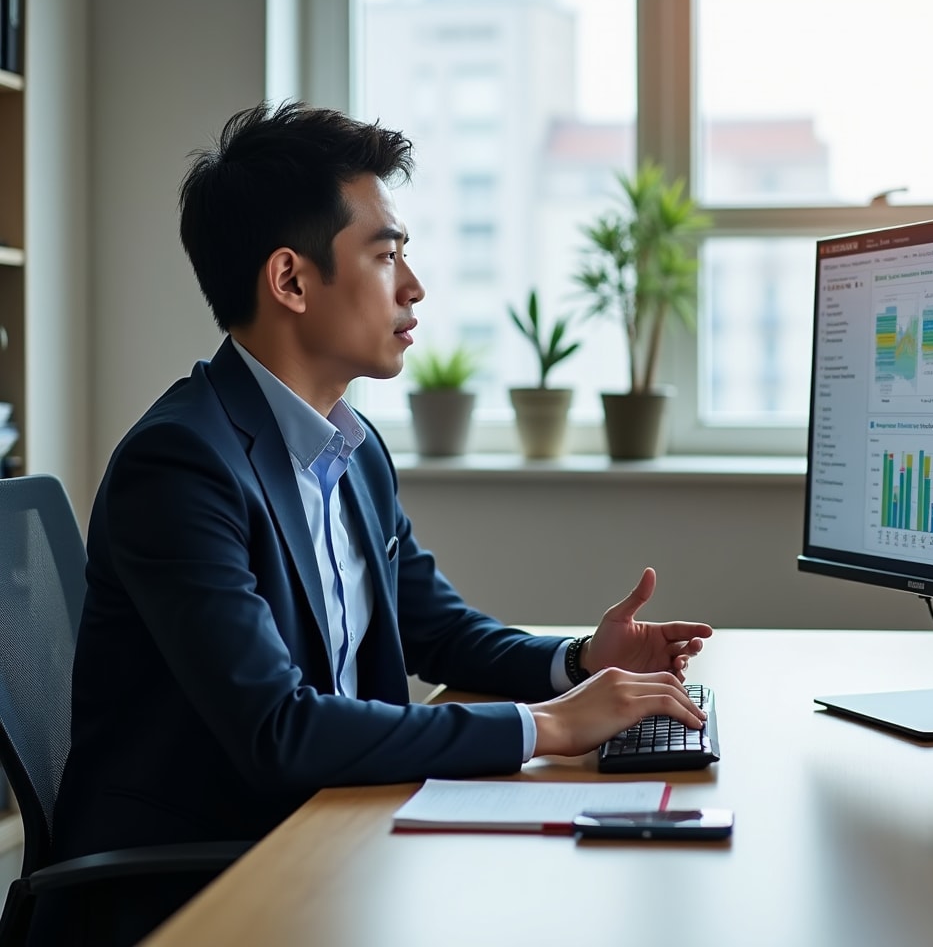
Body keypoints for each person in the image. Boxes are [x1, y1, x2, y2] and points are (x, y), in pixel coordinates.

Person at [38, 101, 713, 944]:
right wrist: (553, 726)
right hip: (196, 887)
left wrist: (577, 661)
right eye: (386, 254)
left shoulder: (352, 450)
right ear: (291, 281)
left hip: (330, 838)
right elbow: (279, 729)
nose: (413, 285)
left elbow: (438, 631)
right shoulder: (180, 465)